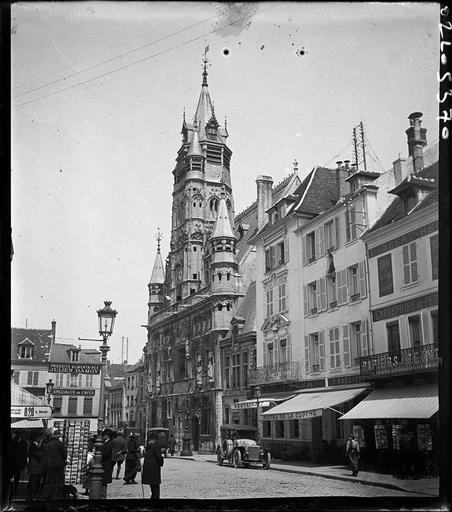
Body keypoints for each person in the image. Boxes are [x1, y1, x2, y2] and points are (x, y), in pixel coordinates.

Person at [44, 429, 67, 499]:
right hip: (60, 464)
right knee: (60, 479)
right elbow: (64, 454)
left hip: (50, 463)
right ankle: (59, 493)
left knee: (51, 479)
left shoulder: (48, 444)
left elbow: (46, 453)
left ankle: (51, 493)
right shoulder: (61, 443)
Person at [141, 433, 164, 500]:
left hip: (147, 467)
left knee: (152, 484)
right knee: (156, 485)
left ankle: (153, 497)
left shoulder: (148, 446)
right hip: (154, 467)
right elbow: (159, 457)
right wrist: (161, 463)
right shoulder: (156, 446)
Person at [26, 432, 46, 501]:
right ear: (36, 438)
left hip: (35, 467)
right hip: (35, 467)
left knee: (34, 481)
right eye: (40, 437)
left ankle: (31, 495)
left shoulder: (36, 445)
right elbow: (36, 454)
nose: (41, 438)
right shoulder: (33, 446)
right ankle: (31, 496)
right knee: (34, 481)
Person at [11, 430, 29, 498]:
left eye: (19, 434)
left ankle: (15, 489)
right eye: (17, 434)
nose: (18, 435)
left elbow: (25, 454)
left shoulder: (24, 443)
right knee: (12, 476)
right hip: (13, 462)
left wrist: (24, 464)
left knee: (17, 477)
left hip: (19, 462)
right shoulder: (13, 441)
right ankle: (12, 489)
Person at [100, 428, 114, 499]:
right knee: (102, 482)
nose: (103, 437)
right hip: (105, 465)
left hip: (105, 465)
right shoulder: (106, 443)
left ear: (107, 436)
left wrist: (99, 455)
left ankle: (103, 496)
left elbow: (107, 454)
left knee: (103, 482)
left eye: (104, 435)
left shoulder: (109, 443)